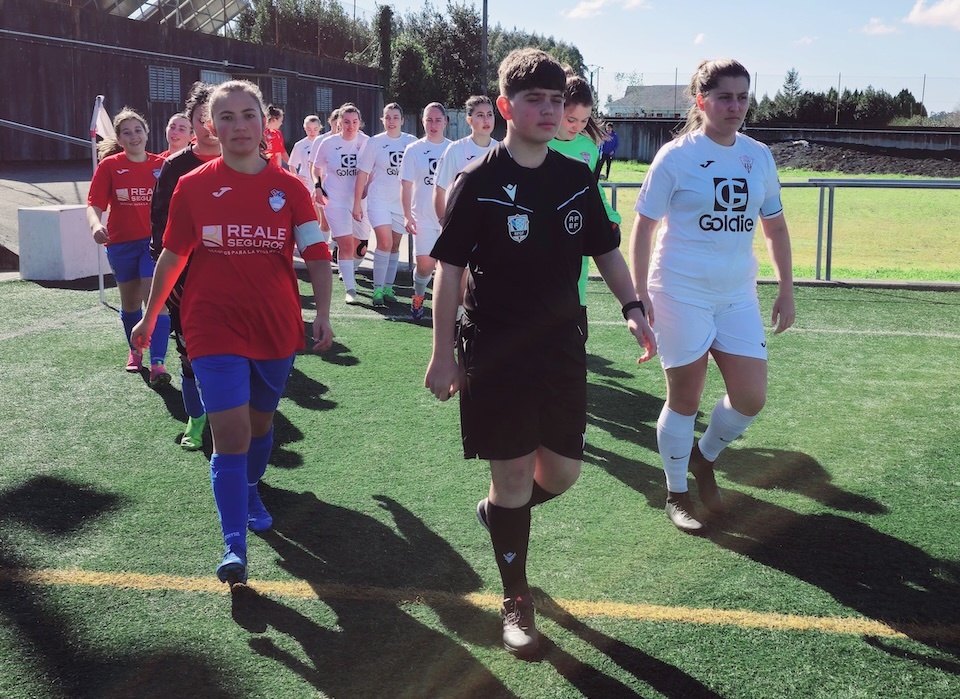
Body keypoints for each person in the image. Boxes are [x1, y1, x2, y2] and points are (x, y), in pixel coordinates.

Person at [424, 48, 656, 657]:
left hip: (560, 347)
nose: (549, 110)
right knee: (511, 475)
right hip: (495, 350)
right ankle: (516, 599)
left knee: (560, 473)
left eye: (557, 101)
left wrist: (633, 308)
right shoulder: (477, 180)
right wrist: (442, 352)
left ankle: (500, 515)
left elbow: (606, 249)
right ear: (505, 107)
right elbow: (448, 270)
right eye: (535, 100)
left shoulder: (576, 177)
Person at [131, 79, 335, 586]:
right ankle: (233, 546)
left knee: (261, 426)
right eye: (227, 117)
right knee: (231, 431)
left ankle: (250, 489)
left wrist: (325, 315)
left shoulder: (288, 188)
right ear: (210, 126)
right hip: (210, 324)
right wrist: (150, 314)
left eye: (248, 115)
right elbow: (174, 255)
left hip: (273, 325)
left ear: (264, 121)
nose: (238, 125)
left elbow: (315, 255)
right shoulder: (193, 185)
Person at [629, 58, 795, 534]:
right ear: (701, 101)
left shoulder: (758, 155)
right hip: (679, 291)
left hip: (737, 293)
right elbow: (644, 227)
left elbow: (776, 225)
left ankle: (703, 458)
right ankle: (677, 492)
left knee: (750, 396)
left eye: (743, 96)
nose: (735, 106)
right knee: (685, 397)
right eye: (725, 96)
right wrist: (639, 296)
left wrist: (786, 288)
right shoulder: (675, 157)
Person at [150, 82, 221, 451]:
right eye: (201, 118)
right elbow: (159, 226)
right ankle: (196, 418)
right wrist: (168, 280)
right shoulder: (175, 167)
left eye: (215, 117)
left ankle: (236, 417)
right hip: (188, 280)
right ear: (191, 123)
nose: (209, 125)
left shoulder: (247, 160)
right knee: (190, 354)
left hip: (237, 280)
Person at [86, 107, 171, 387]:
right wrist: (96, 226)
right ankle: (136, 351)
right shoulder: (110, 166)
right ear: (120, 139)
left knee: (154, 301)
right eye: (126, 132)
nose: (133, 136)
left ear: (147, 134)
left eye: (138, 130)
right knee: (130, 303)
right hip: (120, 244)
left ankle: (158, 363)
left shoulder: (163, 166)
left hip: (153, 245)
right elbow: (94, 205)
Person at [548, 71, 622, 306]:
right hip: (542, 236)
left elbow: (592, 188)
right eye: (572, 119)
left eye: (584, 121)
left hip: (575, 232)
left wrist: (610, 217)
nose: (578, 126)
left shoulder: (588, 147)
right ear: (558, 107)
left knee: (574, 304)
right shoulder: (538, 140)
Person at [353, 103, 417, 307]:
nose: (391, 121)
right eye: (387, 117)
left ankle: (389, 287)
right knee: (384, 242)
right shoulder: (374, 143)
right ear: (383, 120)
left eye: (395, 117)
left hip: (401, 203)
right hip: (378, 200)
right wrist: (357, 203)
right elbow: (362, 173)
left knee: (395, 245)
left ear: (402, 120)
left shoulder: (412, 142)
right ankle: (377, 289)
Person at [311, 104, 370, 303]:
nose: (350, 126)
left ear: (360, 123)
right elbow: (316, 168)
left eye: (354, 122)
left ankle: (350, 270)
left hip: (359, 200)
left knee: (361, 245)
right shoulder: (327, 143)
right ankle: (350, 289)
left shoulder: (367, 143)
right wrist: (318, 186)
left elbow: (373, 170)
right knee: (344, 243)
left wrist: (367, 189)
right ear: (339, 123)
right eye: (346, 122)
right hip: (335, 199)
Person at [399, 102, 450, 320]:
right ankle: (418, 296)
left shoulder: (453, 149)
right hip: (422, 217)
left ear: (446, 122)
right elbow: (406, 185)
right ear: (422, 122)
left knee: (448, 268)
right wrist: (407, 215)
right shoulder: (414, 149)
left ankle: (451, 311)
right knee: (425, 266)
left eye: (438, 120)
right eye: (429, 119)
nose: (433, 124)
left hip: (447, 218)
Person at [432, 95, 497, 221]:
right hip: (464, 222)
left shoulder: (501, 150)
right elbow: (440, 190)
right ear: (469, 120)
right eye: (480, 115)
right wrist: (443, 222)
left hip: (493, 224)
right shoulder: (455, 150)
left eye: (489, 114)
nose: (486, 120)